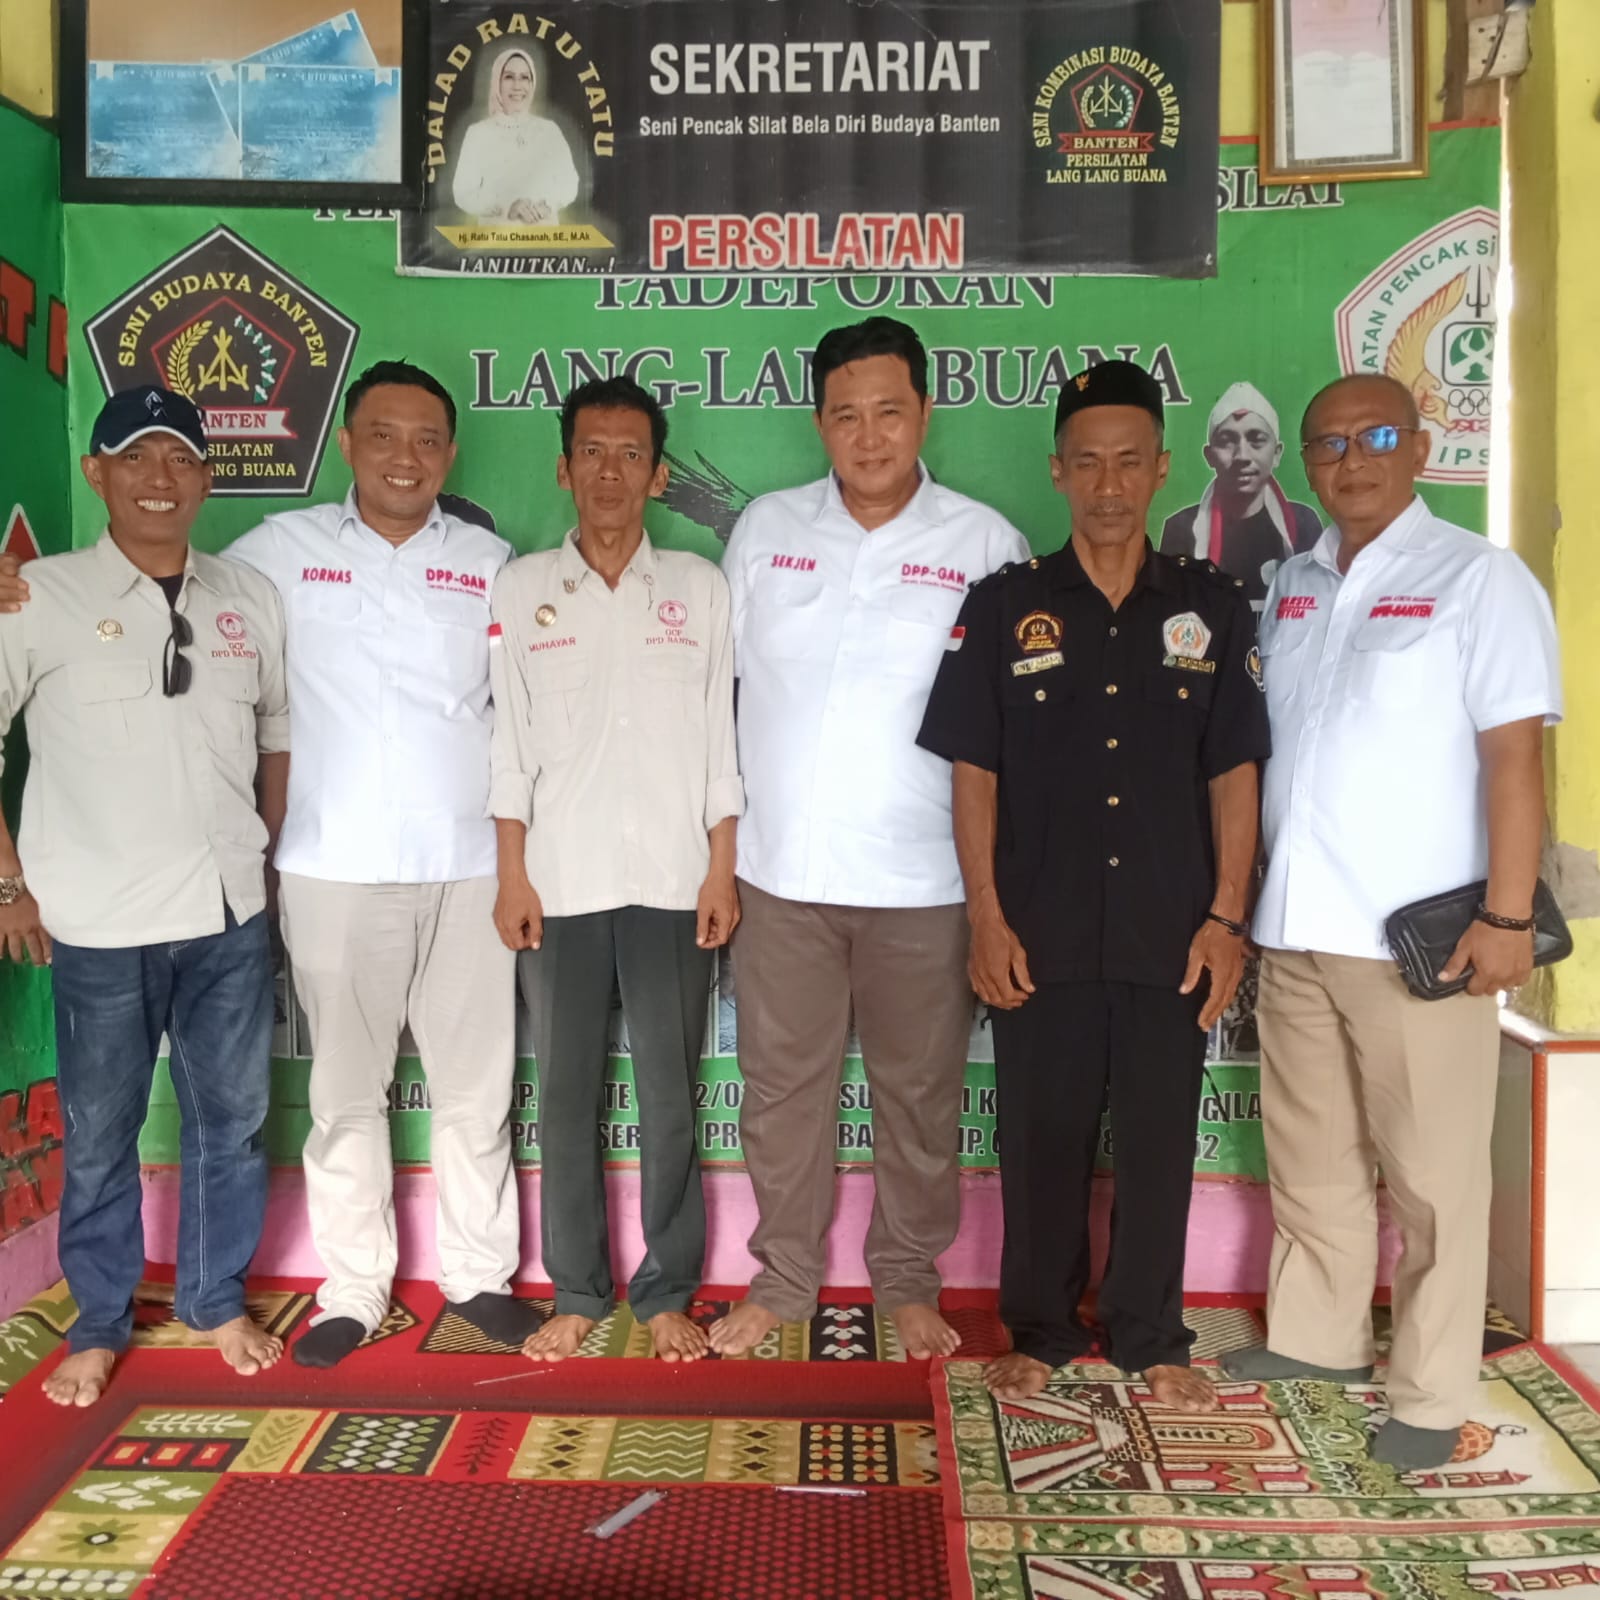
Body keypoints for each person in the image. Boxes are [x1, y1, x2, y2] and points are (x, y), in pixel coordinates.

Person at [1220, 373, 1562, 1470]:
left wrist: (1507, 915)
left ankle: (1430, 1387)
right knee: (1311, 1155)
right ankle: (1318, 1337)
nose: (1350, 460)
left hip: (1422, 939)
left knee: (1434, 1179)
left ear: (1419, 446)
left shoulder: (1480, 578)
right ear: (1306, 464)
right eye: (1328, 444)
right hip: (1296, 925)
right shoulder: (1295, 583)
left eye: (1374, 437)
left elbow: (1515, 760)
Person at [917, 359, 1270, 1411]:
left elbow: (1235, 771)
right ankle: (1040, 1329)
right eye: (1087, 463)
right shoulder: (1005, 605)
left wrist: (1227, 918)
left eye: (1128, 462)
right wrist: (985, 916)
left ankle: (1151, 1335)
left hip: (1173, 929)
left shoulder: (1212, 609)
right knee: (1041, 1140)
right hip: (1040, 929)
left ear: (1161, 470)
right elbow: (973, 771)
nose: (1108, 485)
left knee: (1160, 1141)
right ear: (1057, 471)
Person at [709, 316, 1030, 1361]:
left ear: (925, 413)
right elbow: (721, 694)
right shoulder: (766, 528)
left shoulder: (984, 544)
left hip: (925, 883)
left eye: (889, 411)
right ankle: (783, 1279)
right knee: (780, 1094)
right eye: (845, 414)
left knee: (920, 1096)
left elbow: (1009, 733)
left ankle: (906, 1279)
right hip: (780, 876)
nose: (869, 434)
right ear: (819, 423)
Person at [228, 360, 529, 1367]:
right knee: (345, 1094)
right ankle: (353, 1289)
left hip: (471, 864)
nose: (407, 457)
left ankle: (479, 1278)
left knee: (475, 1089)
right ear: (348, 444)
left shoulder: (490, 562)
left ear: (450, 453)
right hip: (331, 863)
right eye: (385, 435)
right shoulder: (277, 552)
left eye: (428, 439)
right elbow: (175, 598)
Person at [0, 387, 288, 1405]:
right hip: (98, 921)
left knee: (233, 1121)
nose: (159, 478)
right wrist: (9, 884)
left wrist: (264, 861)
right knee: (100, 1131)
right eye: (135, 457)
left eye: (180, 458)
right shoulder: (39, 596)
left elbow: (276, 736)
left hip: (228, 914)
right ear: (97, 473)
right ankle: (99, 1322)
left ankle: (214, 1300)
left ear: (206, 476)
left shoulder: (248, 594)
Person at [489, 376, 742, 1364]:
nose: (610, 471)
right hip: (557, 885)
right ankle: (579, 1289)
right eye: (591, 451)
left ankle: (667, 1288)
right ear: (563, 468)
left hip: (675, 883)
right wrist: (513, 876)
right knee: (566, 1098)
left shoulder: (699, 587)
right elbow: (509, 749)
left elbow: (721, 745)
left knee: (671, 1095)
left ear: (658, 474)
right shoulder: (522, 590)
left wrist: (720, 870)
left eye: (630, 453)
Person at [1160, 382, 1322, 606]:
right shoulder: (1182, 528)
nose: (1242, 456)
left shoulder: (1303, 522)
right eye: (1227, 441)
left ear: (1277, 453)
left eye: (1256, 440)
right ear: (1209, 456)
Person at [451, 46, 581, 225]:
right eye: (509, 77)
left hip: (545, 236)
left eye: (524, 77)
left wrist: (546, 205)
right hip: (495, 237)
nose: (517, 86)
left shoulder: (549, 130)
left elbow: (570, 183)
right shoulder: (478, 133)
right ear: (497, 82)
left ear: (532, 84)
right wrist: (507, 207)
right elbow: (463, 193)